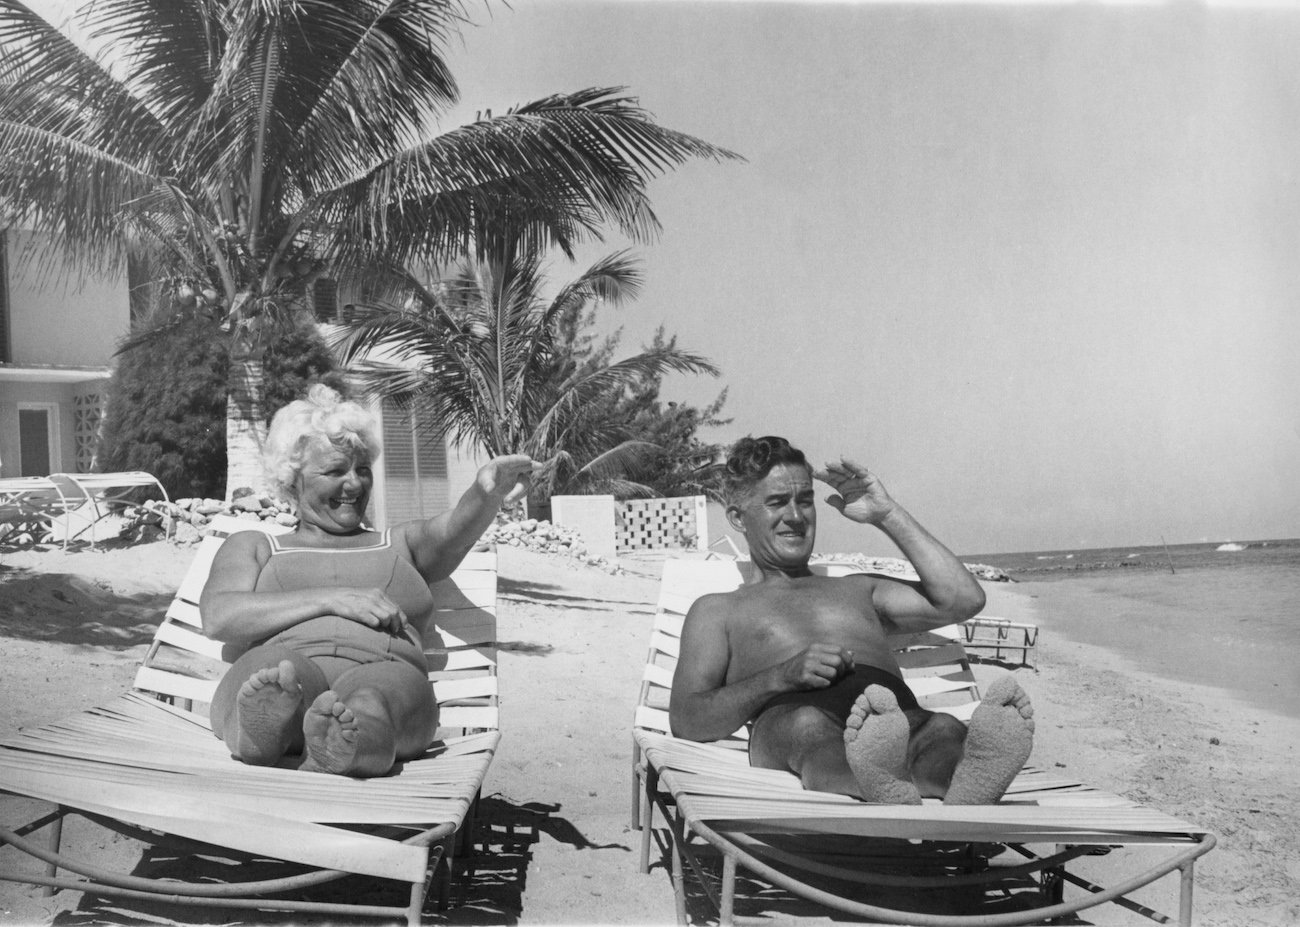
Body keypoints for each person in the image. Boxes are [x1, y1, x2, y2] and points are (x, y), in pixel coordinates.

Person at [669, 435, 1034, 804]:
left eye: (805, 501)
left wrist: (886, 514)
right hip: (790, 720)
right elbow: (686, 719)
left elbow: (964, 600)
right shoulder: (719, 609)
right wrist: (781, 676)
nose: (796, 516)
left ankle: (963, 782)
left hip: (892, 719)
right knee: (808, 728)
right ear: (737, 517)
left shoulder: (858, 590)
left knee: (940, 729)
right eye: (777, 502)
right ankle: (872, 780)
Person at [201, 384, 537, 778]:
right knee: (272, 675)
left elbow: (453, 531)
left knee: (372, 701)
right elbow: (219, 616)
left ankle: (348, 745)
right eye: (335, 471)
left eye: (362, 470)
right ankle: (263, 731)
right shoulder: (257, 545)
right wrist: (333, 599)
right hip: (286, 663)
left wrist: (487, 494)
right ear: (293, 481)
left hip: (385, 665)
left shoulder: (399, 542)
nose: (355, 484)